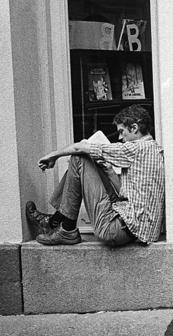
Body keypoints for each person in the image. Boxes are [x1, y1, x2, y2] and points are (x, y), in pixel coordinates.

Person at [26, 104, 165, 246]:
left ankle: (65, 226)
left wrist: (53, 156)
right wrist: (109, 171)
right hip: (134, 229)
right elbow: (127, 194)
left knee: (79, 157)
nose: (120, 137)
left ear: (134, 128)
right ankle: (55, 221)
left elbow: (78, 147)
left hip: (115, 230)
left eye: (122, 132)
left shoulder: (136, 148)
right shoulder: (154, 149)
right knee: (92, 162)